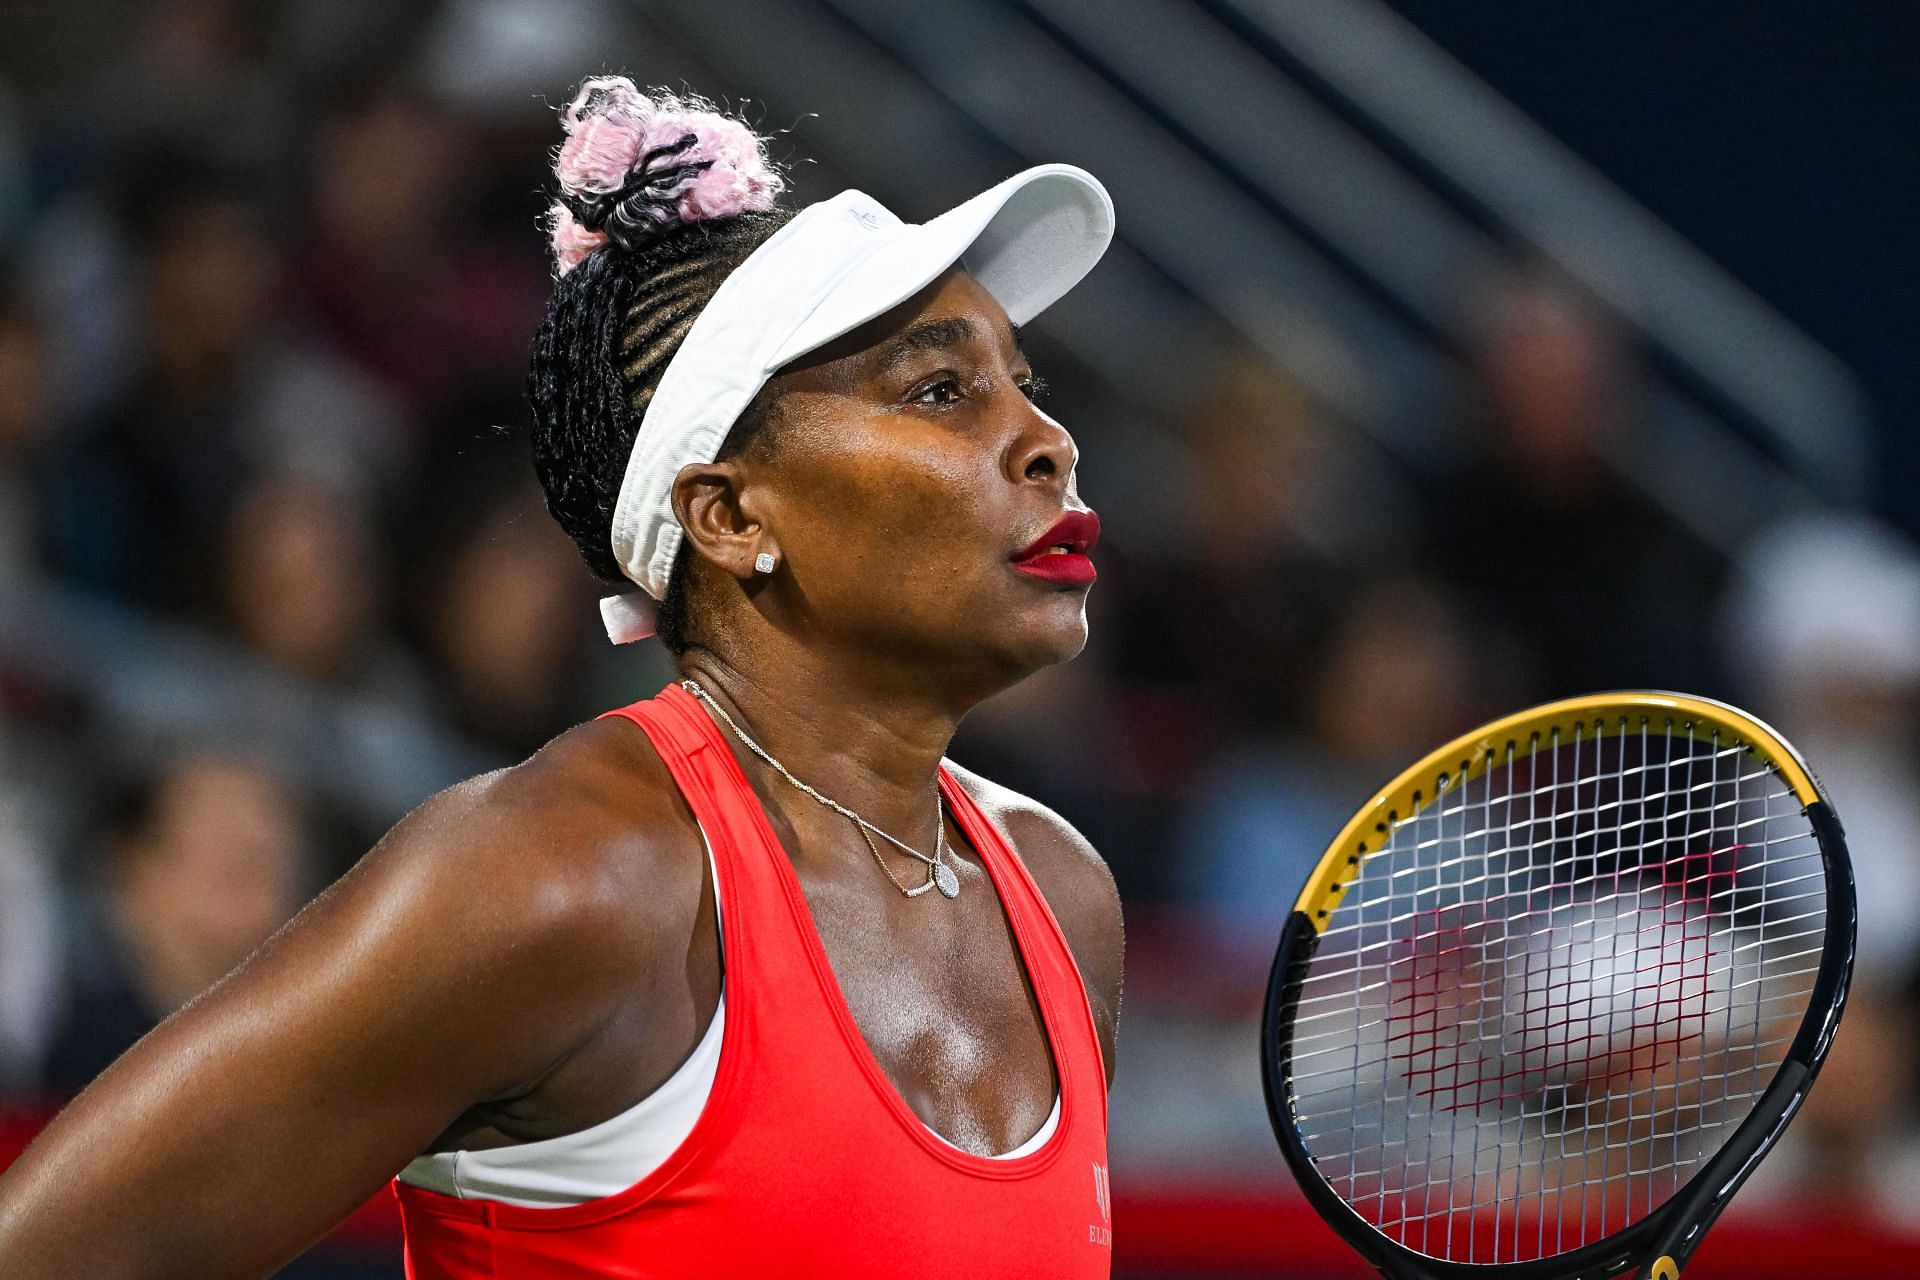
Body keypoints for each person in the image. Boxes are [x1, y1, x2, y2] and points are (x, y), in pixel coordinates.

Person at [0, 78, 1124, 1278]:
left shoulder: (1062, 893)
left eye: (1025, 384)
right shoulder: (564, 872)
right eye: (940, 390)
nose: (1044, 440)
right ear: (733, 514)